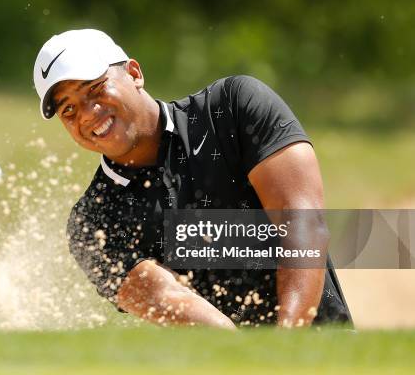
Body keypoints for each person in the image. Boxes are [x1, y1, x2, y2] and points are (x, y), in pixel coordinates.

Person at [33, 29, 352, 328]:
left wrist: (288, 345)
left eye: (95, 88)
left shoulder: (233, 108)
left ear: (134, 73)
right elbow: (169, 299)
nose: (87, 113)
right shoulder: (94, 222)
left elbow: (303, 224)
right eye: (69, 111)